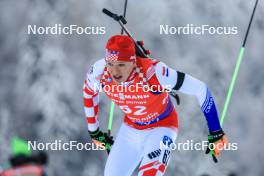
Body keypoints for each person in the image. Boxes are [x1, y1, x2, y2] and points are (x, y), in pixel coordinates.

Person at [83, 35, 228, 176]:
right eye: (110, 64)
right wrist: (94, 132)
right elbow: (88, 93)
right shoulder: (100, 73)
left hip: (161, 128)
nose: (115, 72)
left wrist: (215, 130)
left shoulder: (155, 73)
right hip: (131, 130)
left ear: (133, 62)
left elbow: (200, 89)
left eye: (121, 65)